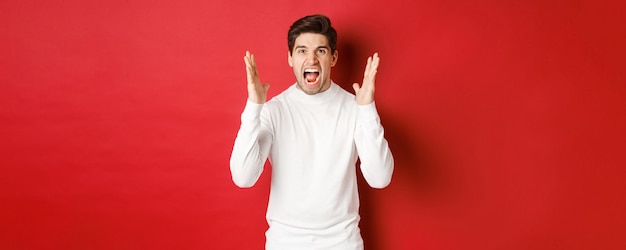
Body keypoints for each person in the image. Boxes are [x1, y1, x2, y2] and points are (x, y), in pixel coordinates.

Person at [230, 14, 394, 249]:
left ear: (333, 57)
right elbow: (243, 177)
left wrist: (367, 109)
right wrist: (254, 107)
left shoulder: (354, 109)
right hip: (285, 242)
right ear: (290, 58)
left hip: (343, 243)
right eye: (302, 51)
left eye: (320, 51)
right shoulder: (273, 110)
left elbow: (380, 178)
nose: (311, 59)